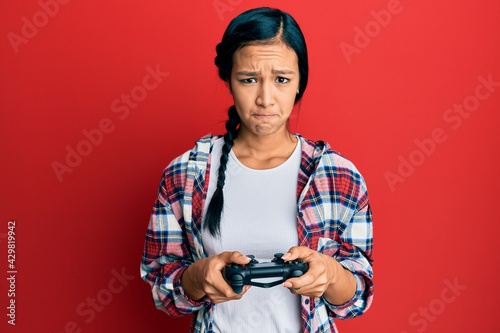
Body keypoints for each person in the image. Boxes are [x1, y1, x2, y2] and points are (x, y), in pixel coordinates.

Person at [141, 7, 373, 333]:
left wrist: (331, 274)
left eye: (281, 79)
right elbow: (163, 291)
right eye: (249, 79)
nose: (265, 98)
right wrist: (195, 277)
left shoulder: (338, 176)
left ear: (299, 82)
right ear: (228, 81)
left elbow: (358, 298)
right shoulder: (185, 174)